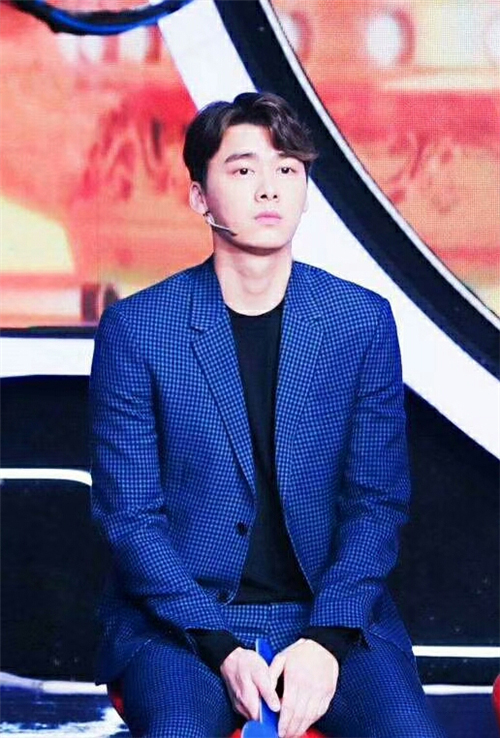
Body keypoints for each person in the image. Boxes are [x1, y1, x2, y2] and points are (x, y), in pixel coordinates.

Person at [89, 92, 447, 738]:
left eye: (287, 169)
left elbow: (376, 503)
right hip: (183, 623)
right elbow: (131, 518)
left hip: (328, 613)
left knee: (409, 732)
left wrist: (327, 638)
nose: (269, 188)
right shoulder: (138, 331)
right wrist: (220, 646)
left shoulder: (360, 322)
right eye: (243, 169)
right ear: (200, 197)